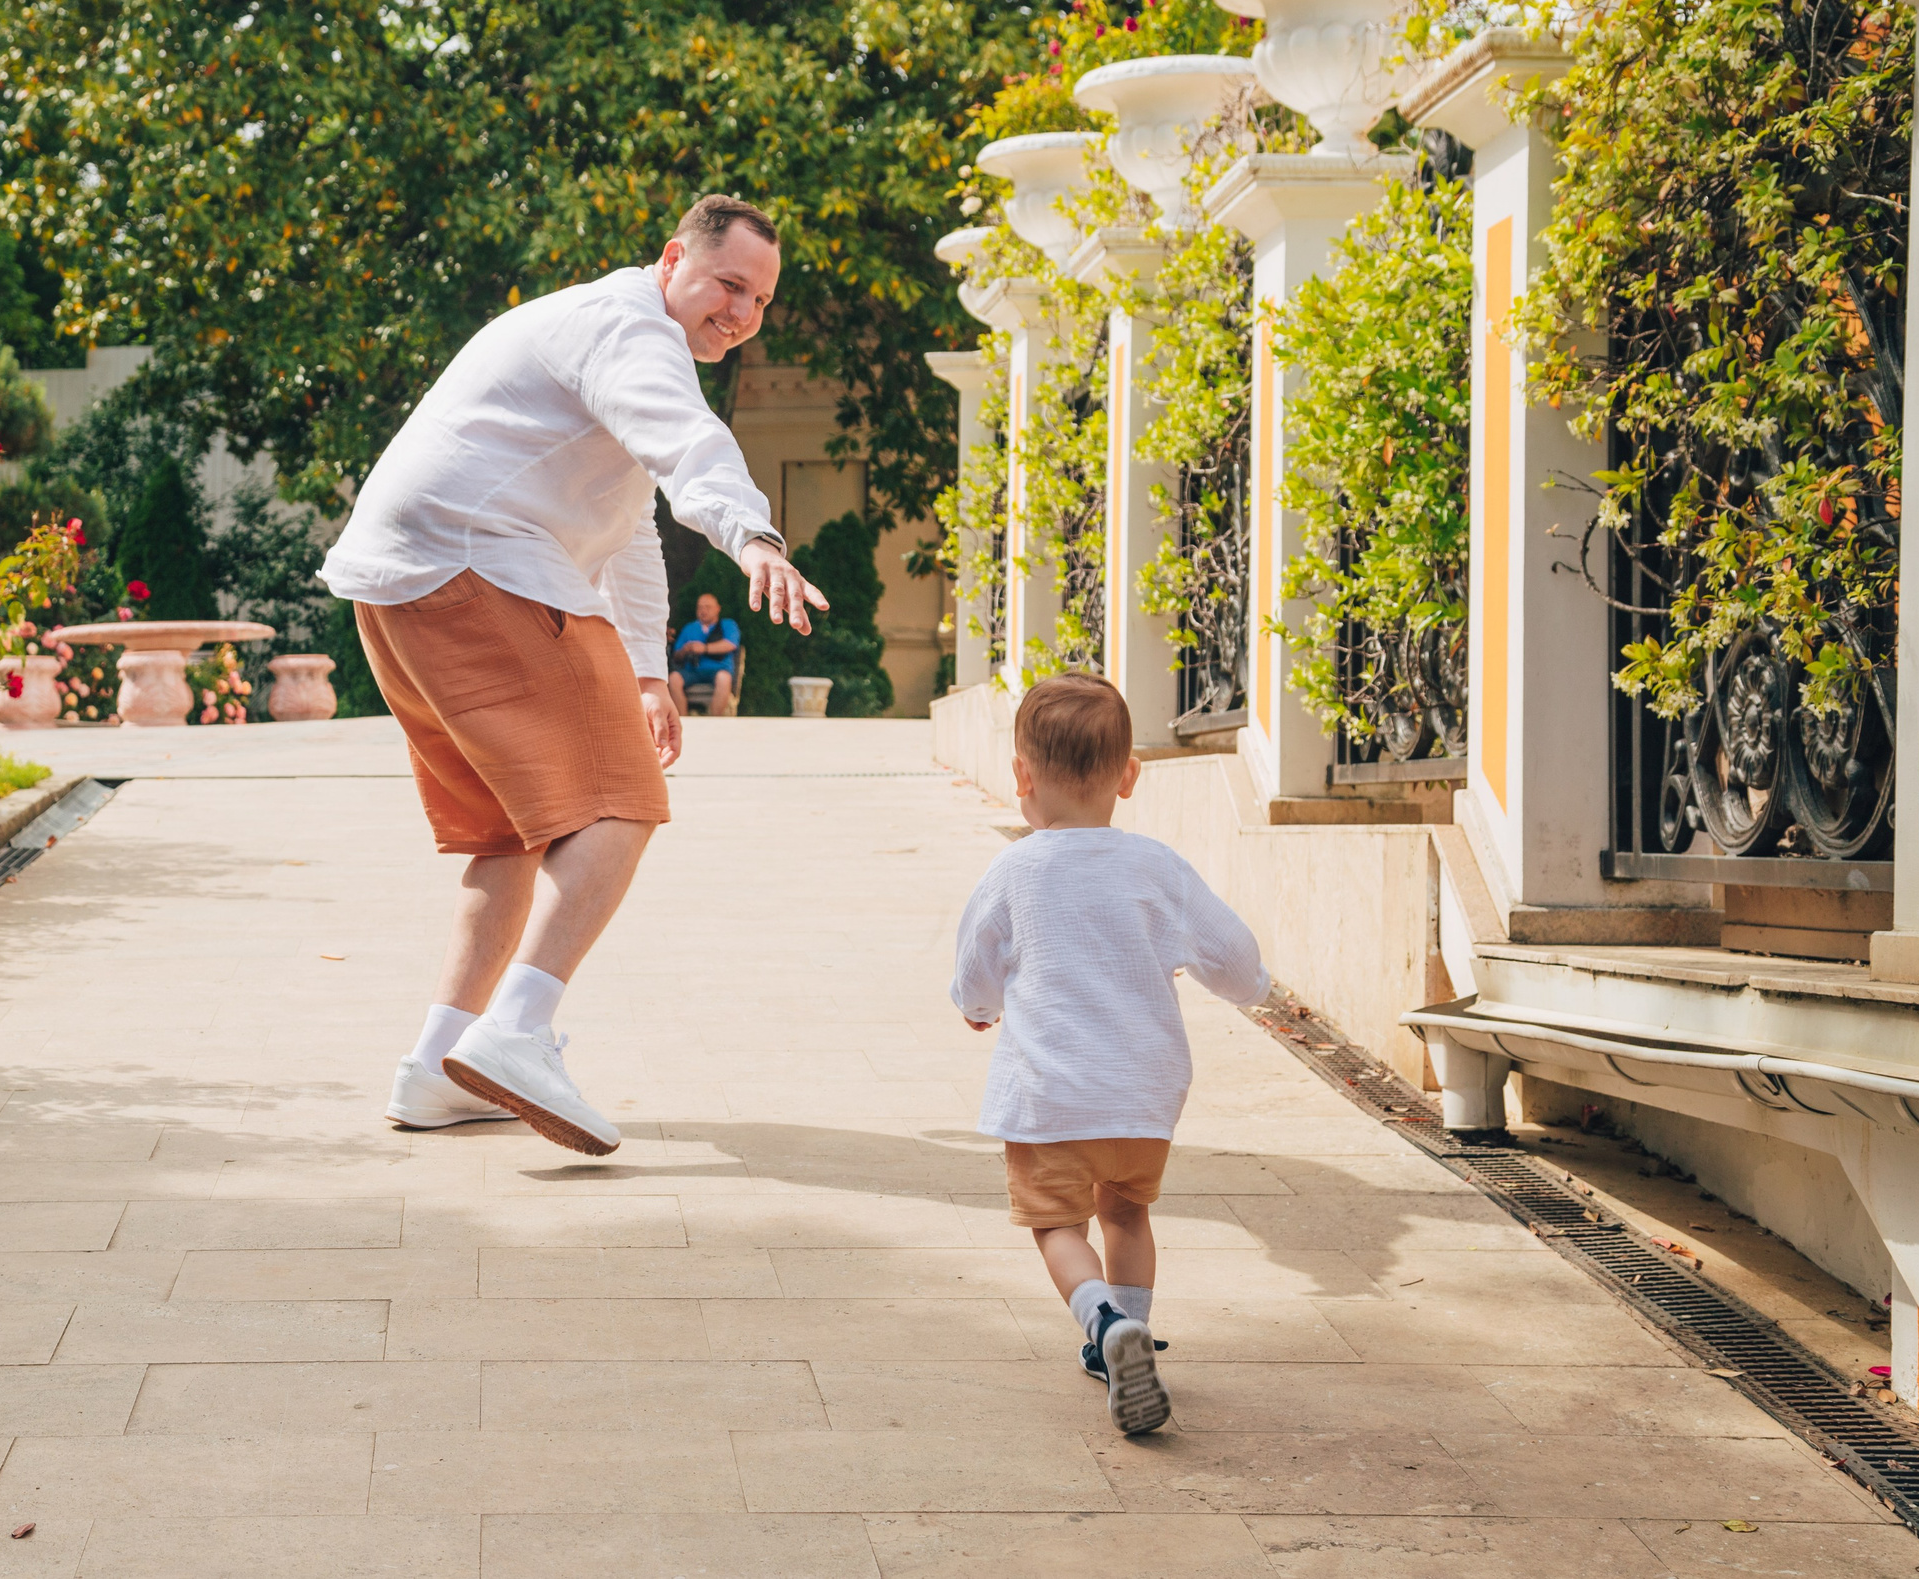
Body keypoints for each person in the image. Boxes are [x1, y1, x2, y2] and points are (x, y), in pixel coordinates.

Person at [321, 195, 827, 1158]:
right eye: (728, 284)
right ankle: (515, 1031)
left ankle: (435, 1068)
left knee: (512, 834)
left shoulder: (610, 337)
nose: (742, 313)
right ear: (674, 257)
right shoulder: (629, 328)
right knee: (621, 800)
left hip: (402, 582)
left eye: (760, 299)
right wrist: (754, 535)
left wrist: (647, 670)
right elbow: (691, 449)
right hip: (476, 564)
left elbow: (631, 520)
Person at [950, 672, 1269, 1434]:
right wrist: (1249, 985)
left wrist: (979, 1008)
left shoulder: (1014, 871)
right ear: (1129, 776)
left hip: (1050, 1099)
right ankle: (1134, 1331)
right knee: (1125, 1211)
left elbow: (974, 967)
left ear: (1022, 778)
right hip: (1142, 1100)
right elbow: (1235, 956)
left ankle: (1101, 1324)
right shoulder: (1156, 866)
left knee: (1057, 1226)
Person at [667, 592, 741, 717]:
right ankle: (683, 720)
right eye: (700, 607)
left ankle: (714, 721)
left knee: (724, 678)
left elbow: (730, 644)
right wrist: (685, 650)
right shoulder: (689, 628)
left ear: (718, 609)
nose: (703, 610)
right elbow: (676, 656)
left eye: (708, 607)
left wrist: (704, 648)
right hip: (692, 671)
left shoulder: (727, 625)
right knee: (674, 678)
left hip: (718, 670)